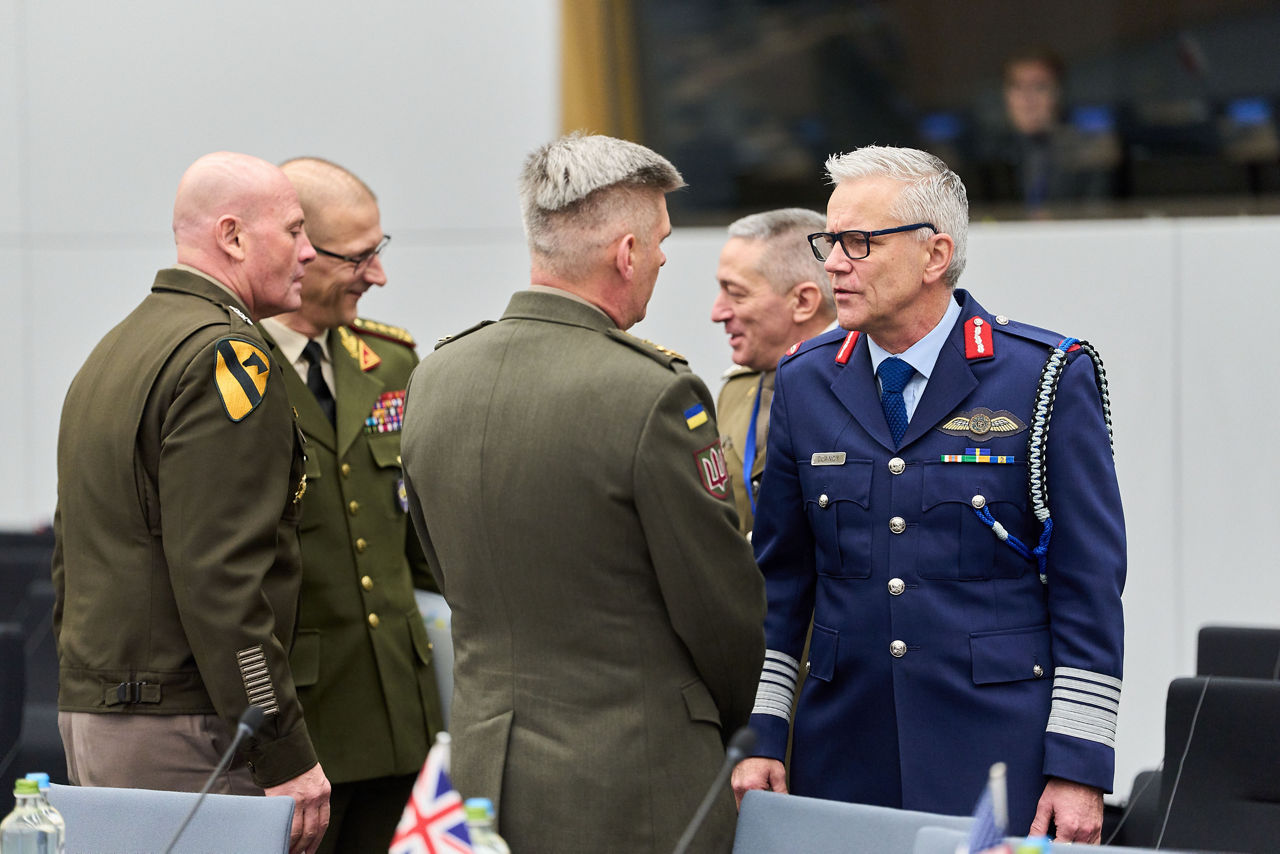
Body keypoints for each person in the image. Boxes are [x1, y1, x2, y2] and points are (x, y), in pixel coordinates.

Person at [730, 145, 1125, 845]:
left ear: (934, 255)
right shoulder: (804, 381)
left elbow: (1087, 583)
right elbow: (783, 581)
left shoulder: (1043, 378)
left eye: (858, 242)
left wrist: (1079, 766)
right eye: (830, 242)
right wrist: (763, 733)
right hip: (843, 754)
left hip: (995, 753)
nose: (833, 263)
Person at [399, 132, 766, 854]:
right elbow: (721, 612)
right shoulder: (653, 395)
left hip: (481, 776)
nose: (663, 258)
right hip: (635, 783)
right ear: (625, 254)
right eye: (659, 241)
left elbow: (441, 568)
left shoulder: (433, 378)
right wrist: (729, 724)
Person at [52, 152, 331, 854]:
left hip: (103, 714)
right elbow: (221, 579)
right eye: (295, 231)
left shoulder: (119, 348)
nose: (310, 253)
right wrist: (280, 747)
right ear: (233, 237)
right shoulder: (224, 358)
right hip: (186, 731)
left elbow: (71, 558)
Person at [258, 157, 445, 854]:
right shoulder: (234, 372)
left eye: (380, 251)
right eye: (359, 258)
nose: (378, 274)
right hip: (303, 722)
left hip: (403, 709)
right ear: (299, 249)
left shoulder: (391, 363)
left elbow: (425, 548)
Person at [711, 208, 836, 536]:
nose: (717, 312)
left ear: (803, 301)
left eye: (735, 293)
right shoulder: (736, 390)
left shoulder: (869, 387)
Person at [982, 48, 1119, 212]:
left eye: (1039, 87)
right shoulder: (988, 154)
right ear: (1005, 95)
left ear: (1058, 93)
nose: (1027, 99)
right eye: (1017, 87)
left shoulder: (1088, 153)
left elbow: (1099, 217)